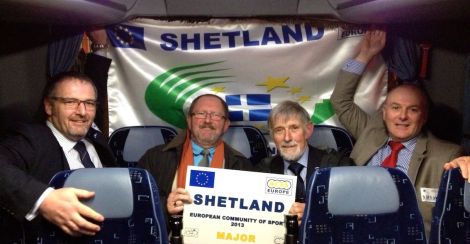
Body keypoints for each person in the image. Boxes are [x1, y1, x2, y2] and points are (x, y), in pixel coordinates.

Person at [330, 29, 467, 236]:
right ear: (384, 113)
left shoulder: (447, 154)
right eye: (395, 108)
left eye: (412, 110)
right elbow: (340, 101)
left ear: (424, 116)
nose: (402, 116)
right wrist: (365, 55)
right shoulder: (369, 132)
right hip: (355, 234)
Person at [0, 71, 117, 242]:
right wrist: (43, 199)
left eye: (89, 103)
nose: (83, 112)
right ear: (49, 106)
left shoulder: (97, 140)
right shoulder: (30, 139)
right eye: (71, 102)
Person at [137, 94, 255, 225]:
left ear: (226, 124)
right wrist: (164, 206)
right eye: (201, 113)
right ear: (189, 120)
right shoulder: (155, 157)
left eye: (216, 115)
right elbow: (137, 202)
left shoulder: (242, 165)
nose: (208, 121)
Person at [257, 100, 353, 222]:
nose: (287, 138)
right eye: (279, 130)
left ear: (308, 130)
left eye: (294, 128)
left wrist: (315, 213)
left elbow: (354, 214)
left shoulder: (337, 167)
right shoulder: (262, 171)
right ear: (272, 136)